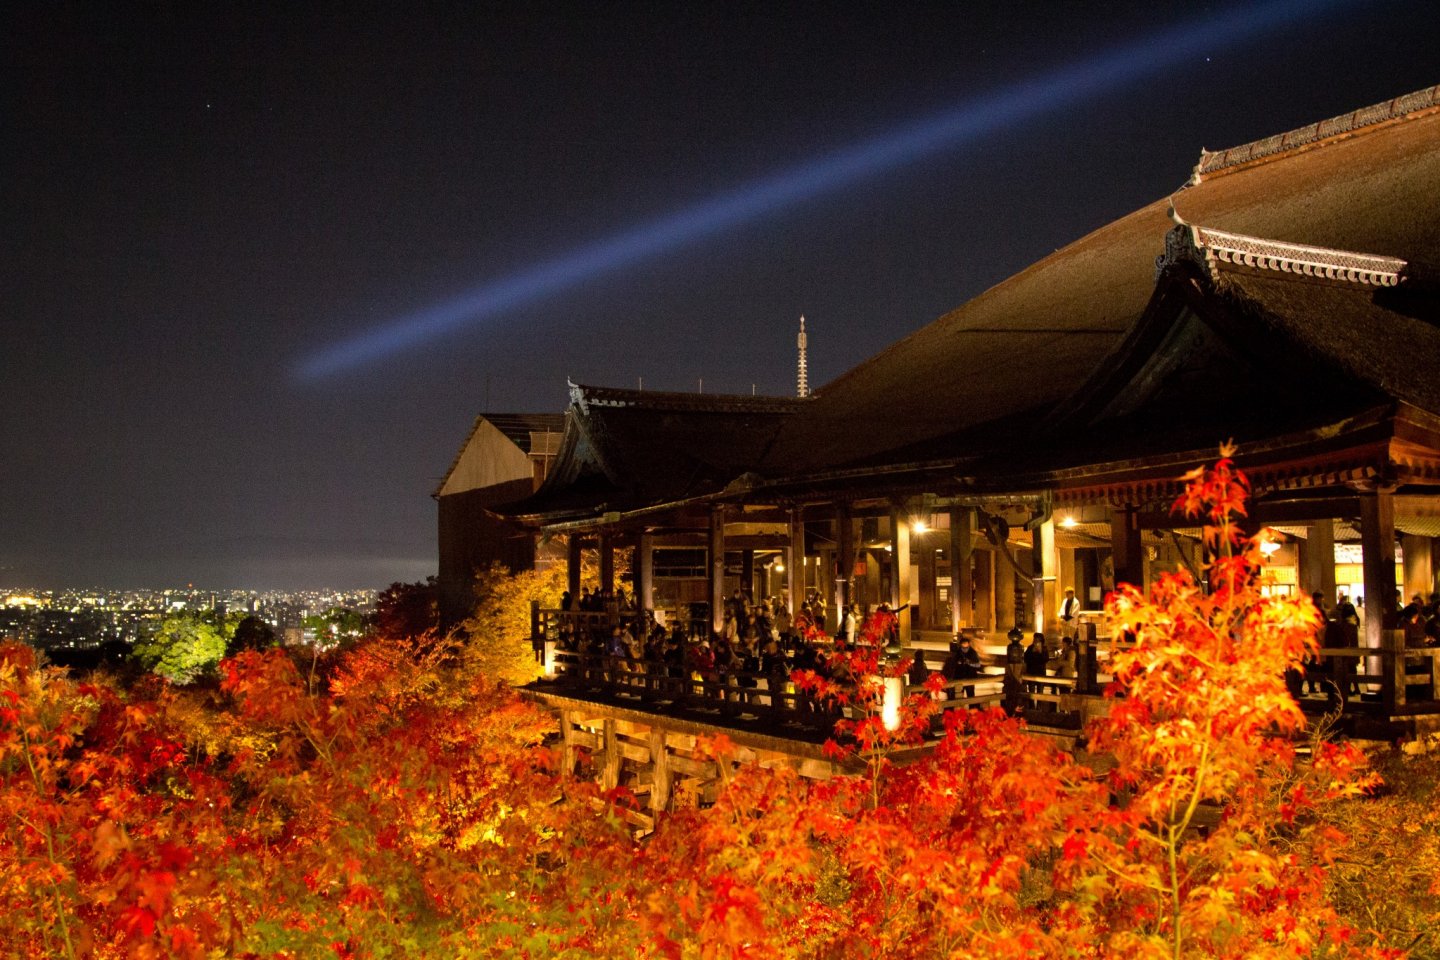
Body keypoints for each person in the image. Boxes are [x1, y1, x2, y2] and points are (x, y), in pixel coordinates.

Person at [1003, 628, 1026, 714]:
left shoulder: (1020, 647)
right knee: (1013, 686)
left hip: (1017, 666)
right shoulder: (1010, 647)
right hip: (1011, 666)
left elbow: (1021, 657)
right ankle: (1012, 707)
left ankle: (1015, 706)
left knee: (1016, 687)